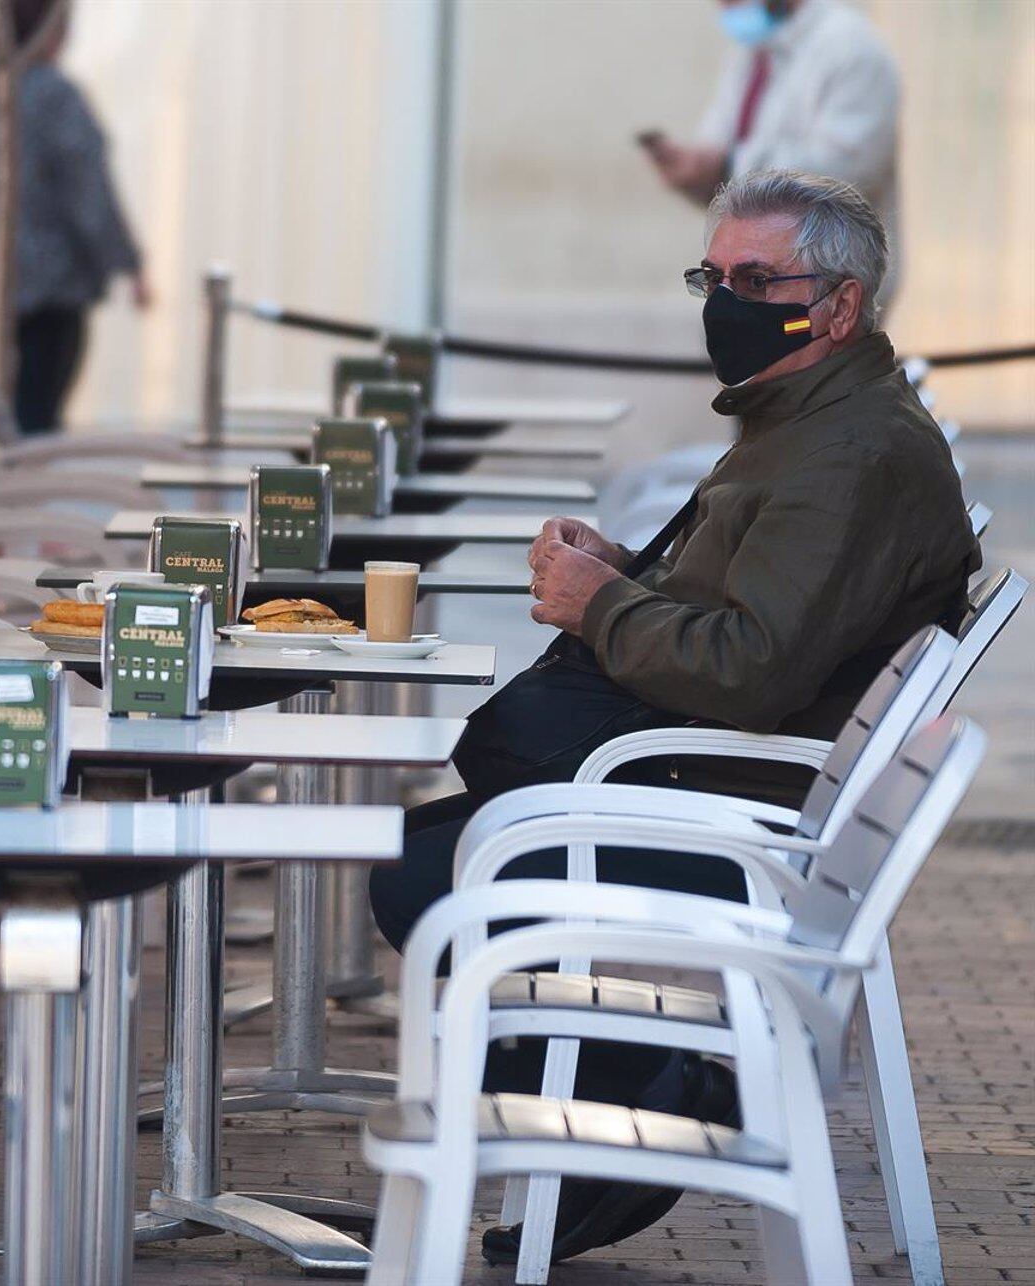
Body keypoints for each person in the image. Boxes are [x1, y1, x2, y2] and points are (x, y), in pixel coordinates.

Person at [369, 170, 978, 1264]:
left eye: (756, 279)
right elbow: (760, 610)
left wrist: (603, 605)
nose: (725, 301)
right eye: (714, 275)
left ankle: (663, 1090)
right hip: (712, 782)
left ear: (838, 305)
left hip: (742, 810)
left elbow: (750, 667)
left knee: (426, 877)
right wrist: (628, 574)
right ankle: (628, 1108)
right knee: (423, 855)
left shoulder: (850, 453)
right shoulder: (807, 416)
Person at [0, 0, 147, 435]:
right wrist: (128, 263)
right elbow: (89, 193)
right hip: (46, 286)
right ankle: (19, 494)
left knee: (8, 410)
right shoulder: (51, 93)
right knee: (35, 415)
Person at [641, 0, 903, 302]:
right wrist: (695, 171)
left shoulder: (851, 48)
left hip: (825, 284)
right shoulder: (752, 51)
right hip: (748, 278)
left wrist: (729, 166)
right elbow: (719, 145)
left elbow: (849, 171)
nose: (724, 7)